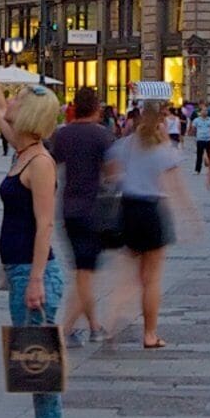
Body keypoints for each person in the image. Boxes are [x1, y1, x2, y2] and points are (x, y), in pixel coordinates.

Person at [0, 88, 66, 418]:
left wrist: (37, 278)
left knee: (40, 359)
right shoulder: (22, 151)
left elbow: (45, 224)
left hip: (33, 272)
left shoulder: (39, 162)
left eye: (19, 98)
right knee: (31, 360)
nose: (11, 101)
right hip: (19, 269)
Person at [106, 97, 186, 347]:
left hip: (129, 208)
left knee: (128, 274)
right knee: (151, 278)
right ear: (161, 120)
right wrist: (189, 216)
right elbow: (174, 184)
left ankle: (111, 322)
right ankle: (150, 334)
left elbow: (111, 175)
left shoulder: (124, 145)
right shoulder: (162, 149)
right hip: (152, 210)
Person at [45, 89, 118, 344]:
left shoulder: (62, 134)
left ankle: (74, 328)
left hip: (68, 209)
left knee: (81, 271)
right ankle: (84, 328)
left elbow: (51, 165)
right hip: (93, 210)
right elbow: (113, 174)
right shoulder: (103, 136)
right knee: (85, 272)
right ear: (97, 108)